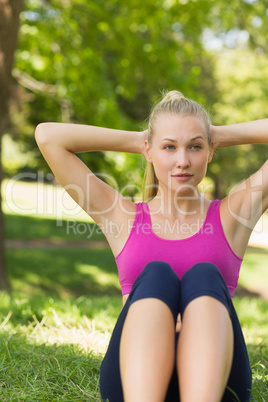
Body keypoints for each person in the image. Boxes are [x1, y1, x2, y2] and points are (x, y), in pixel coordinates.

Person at [35, 90, 268, 402]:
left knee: (204, 276)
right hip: (135, 380)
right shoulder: (122, 217)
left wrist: (214, 134)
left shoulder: (232, 217)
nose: (182, 161)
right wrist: (142, 140)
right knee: (157, 274)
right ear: (149, 150)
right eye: (169, 147)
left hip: (216, 381)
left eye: (195, 147)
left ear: (210, 151)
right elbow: (48, 136)